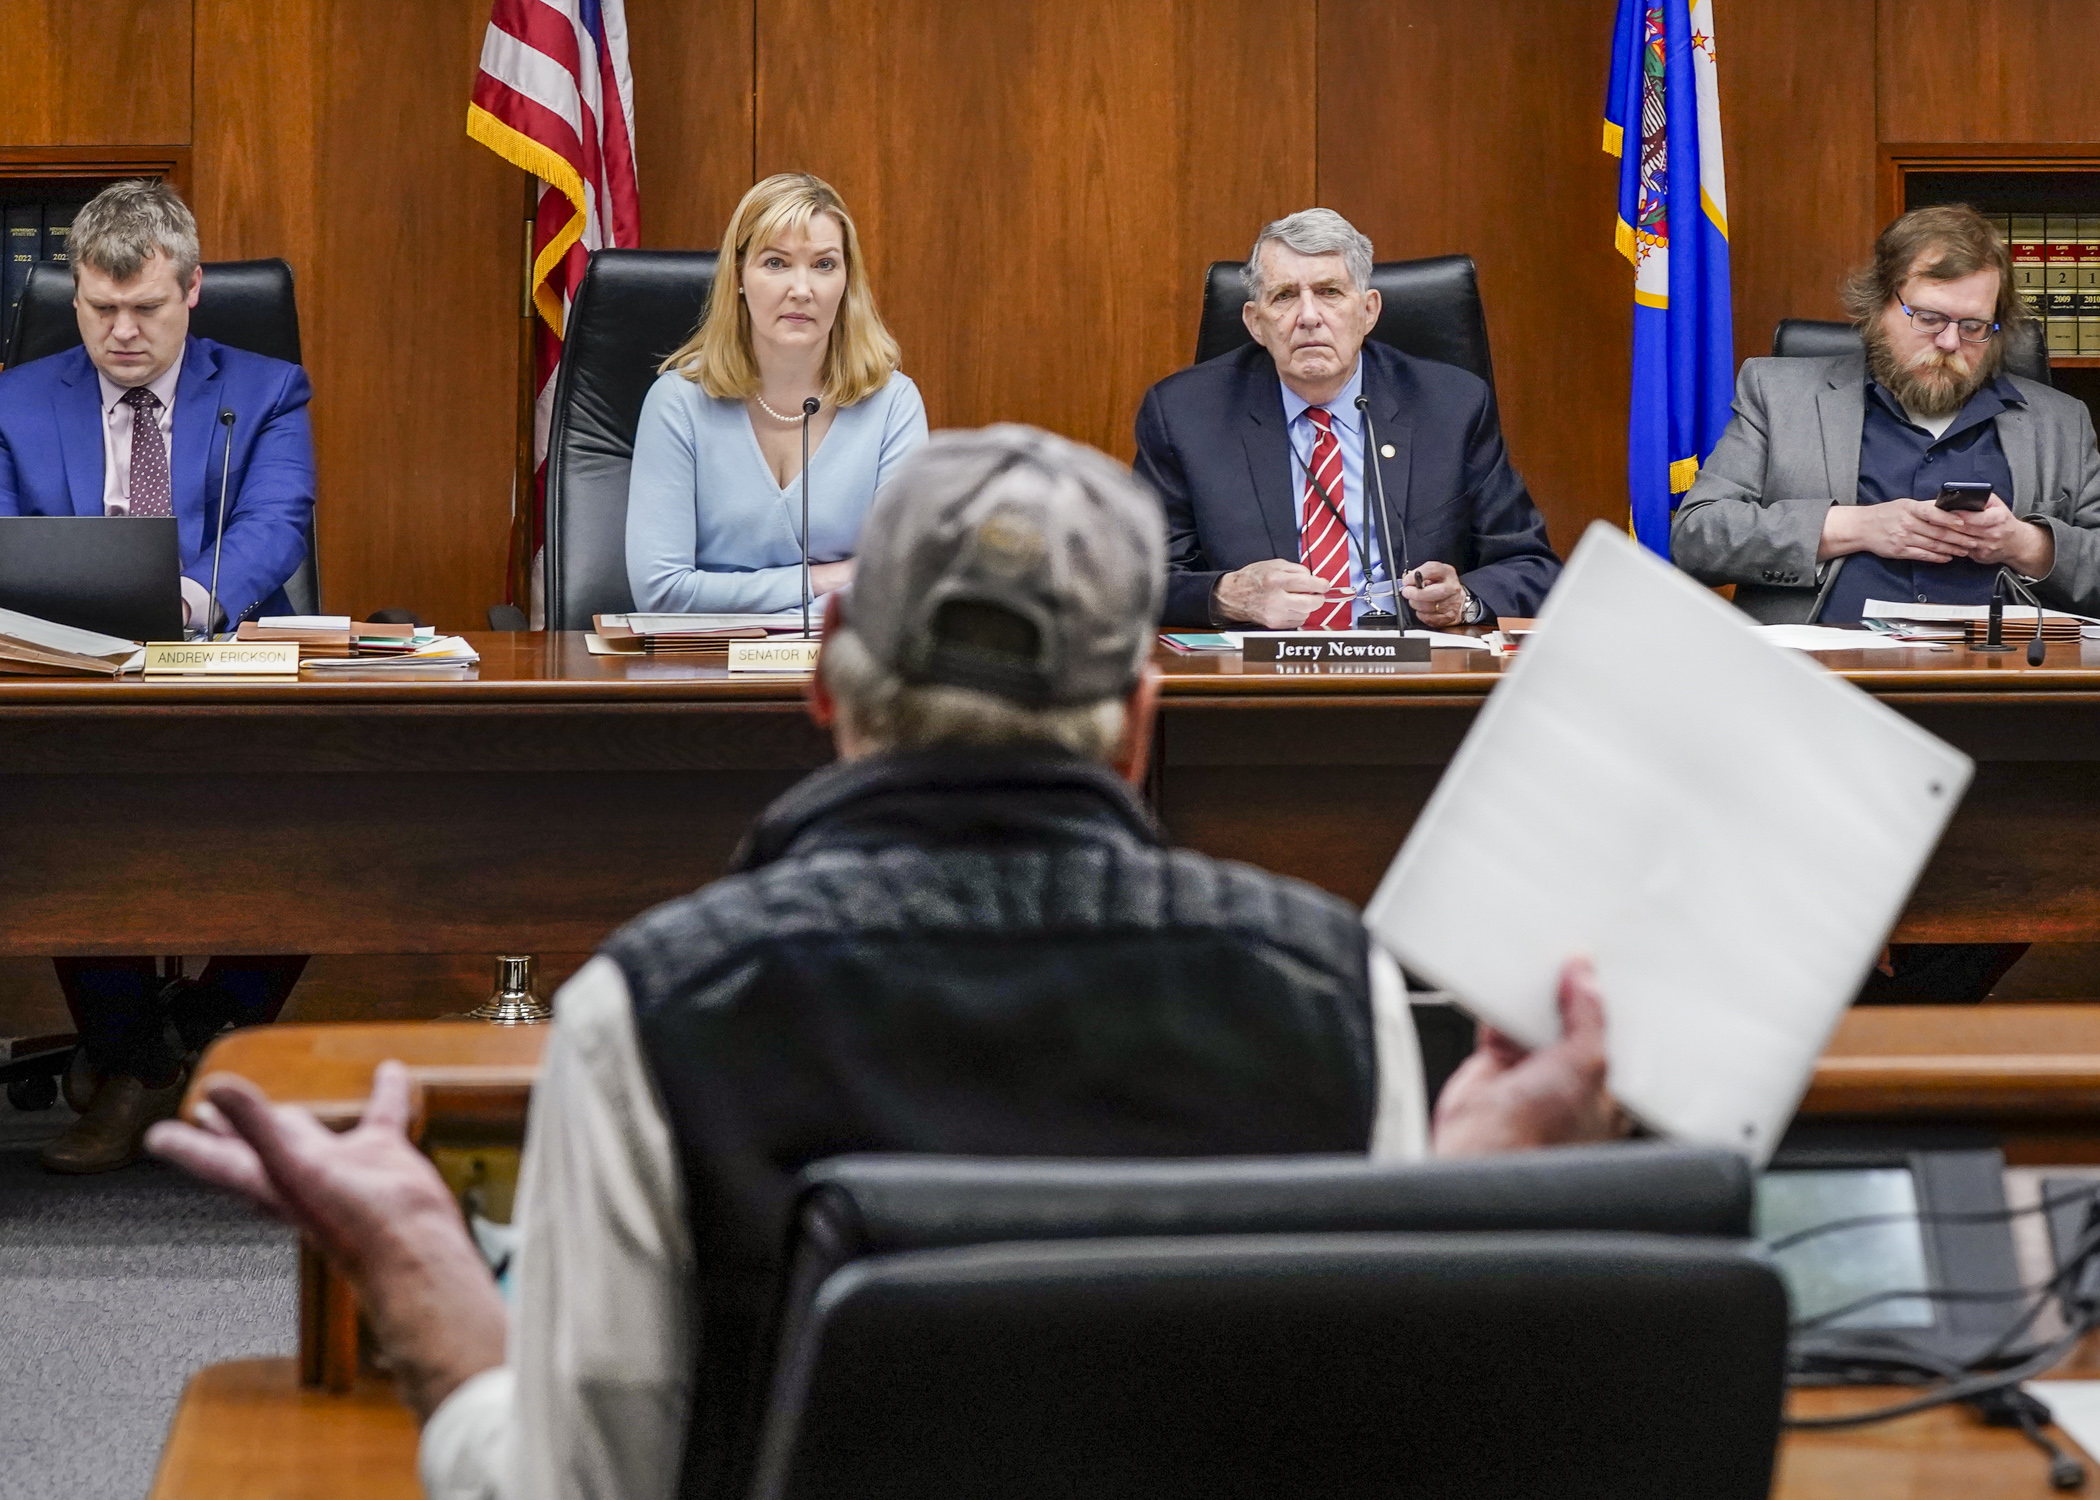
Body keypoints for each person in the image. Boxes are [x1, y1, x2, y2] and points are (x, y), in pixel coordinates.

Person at [152, 426, 1621, 1500]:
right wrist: (1457, 1207)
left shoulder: (650, 1015)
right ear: (1139, 718)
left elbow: (574, 1490)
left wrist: (420, 1276)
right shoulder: (1336, 996)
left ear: (827, 668)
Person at [0, 178, 313, 1173]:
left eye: (146, 307)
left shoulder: (264, 391)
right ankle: (143, 1058)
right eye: (100, 309)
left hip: (223, 662)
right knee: (55, 800)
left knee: (344, 811)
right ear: (75, 295)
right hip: (69, 680)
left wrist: (191, 595)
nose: (122, 332)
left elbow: (276, 523)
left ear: (193, 291)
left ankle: (168, 1045)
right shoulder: (12, 402)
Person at [1673, 203, 2100, 626]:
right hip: (1823, 680)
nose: (1951, 342)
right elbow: (1697, 536)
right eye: (1930, 318)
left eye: (1973, 326)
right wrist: (1852, 527)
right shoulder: (1779, 395)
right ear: (1878, 306)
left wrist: (2027, 544)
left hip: (2006, 682)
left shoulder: (2060, 423)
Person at [1134, 208, 1561, 631]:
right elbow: (1140, 582)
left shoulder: (1452, 407)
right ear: (1255, 323)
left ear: (1369, 311)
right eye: (1284, 296)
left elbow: (1531, 566)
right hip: (1258, 684)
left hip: (1415, 683)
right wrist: (1230, 596)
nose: (1308, 316)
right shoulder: (1184, 415)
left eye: (1330, 292)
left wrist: (1462, 602)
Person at [625, 172, 928, 615]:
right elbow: (662, 592)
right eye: (776, 263)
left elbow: (900, 583)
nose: (802, 290)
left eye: (824, 264)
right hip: (701, 675)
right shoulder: (677, 404)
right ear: (739, 277)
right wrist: (824, 578)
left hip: (838, 671)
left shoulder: (892, 405)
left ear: (847, 281)